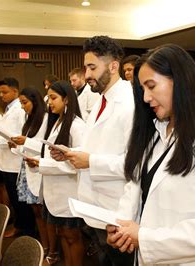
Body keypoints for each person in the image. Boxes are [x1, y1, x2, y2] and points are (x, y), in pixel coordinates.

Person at [105, 44, 195, 265]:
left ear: (180, 81)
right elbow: (136, 185)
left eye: (151, 86)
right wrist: (122, 225)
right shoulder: (157, 132)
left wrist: (144, 237)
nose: (145, 97)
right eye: (142, 89)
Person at [50, 35, 135, 266]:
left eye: (92, 67)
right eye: (86, 67)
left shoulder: (130, 103)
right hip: (96, 208)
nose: (87, 75)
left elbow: (135, 163)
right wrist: (70, 153)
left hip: (117, 211)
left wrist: (91, 161)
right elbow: (93, 147)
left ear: (114, 66)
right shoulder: (100, 101)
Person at [29, 80, 86, 265]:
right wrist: (39, 162)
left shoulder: (77, 126)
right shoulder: (57, 122)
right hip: (54, 192)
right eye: (48, 99)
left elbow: (78, 162)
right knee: (62, 233)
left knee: (72, 236)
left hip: (69, 192)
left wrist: (42, 164)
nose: (49, 103)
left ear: (67, 99)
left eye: (53, 98)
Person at [0, 78, 36, 238]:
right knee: (14, 199)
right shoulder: (8, 109)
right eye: (0, 92)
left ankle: (26, 230)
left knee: (20, 200)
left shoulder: (19, 110)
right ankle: (21, 226)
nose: (1, 95)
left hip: (14, 161)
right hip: (6, 161)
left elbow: (21, 134)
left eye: (5, 92)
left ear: (15, 91)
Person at [9, 86, 50, 257]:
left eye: (24, 102)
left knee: (43, 211)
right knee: (35, 210)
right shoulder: (29, 119)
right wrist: (16, 145)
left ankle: (49, 247)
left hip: (40, 167)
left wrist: (26, 141)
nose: (23, 106)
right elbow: (27, 144)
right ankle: (42, 242)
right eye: (20, 103)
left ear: (35, 100)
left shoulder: (46, 118)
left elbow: (46, 146)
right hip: (27, 166)